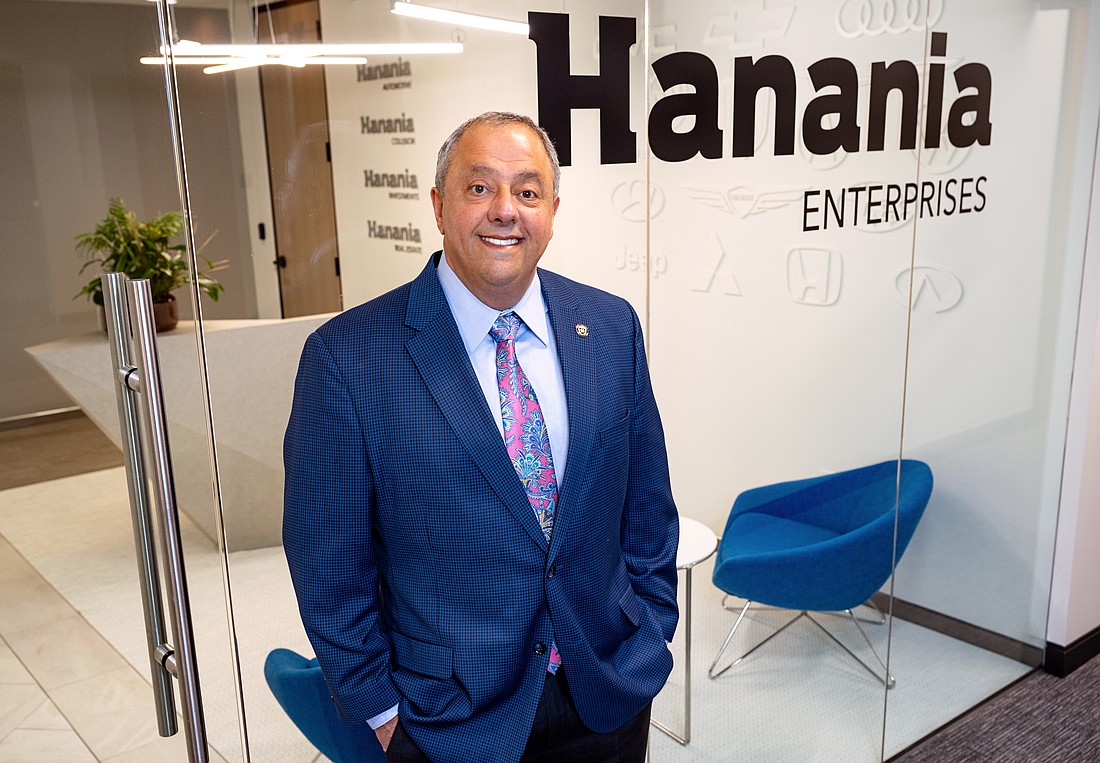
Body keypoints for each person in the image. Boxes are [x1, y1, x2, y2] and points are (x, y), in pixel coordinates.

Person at [283, 111, 679, 763]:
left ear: (552, 210)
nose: (505, 210)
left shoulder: (610, 327)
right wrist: (383, 715)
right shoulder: (348, 358)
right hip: (449, 722)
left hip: (607, 694)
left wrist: (650, 631)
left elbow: (647, 509)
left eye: (527, 191)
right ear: (439, 207)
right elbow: (329, 565)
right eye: (478, 188)